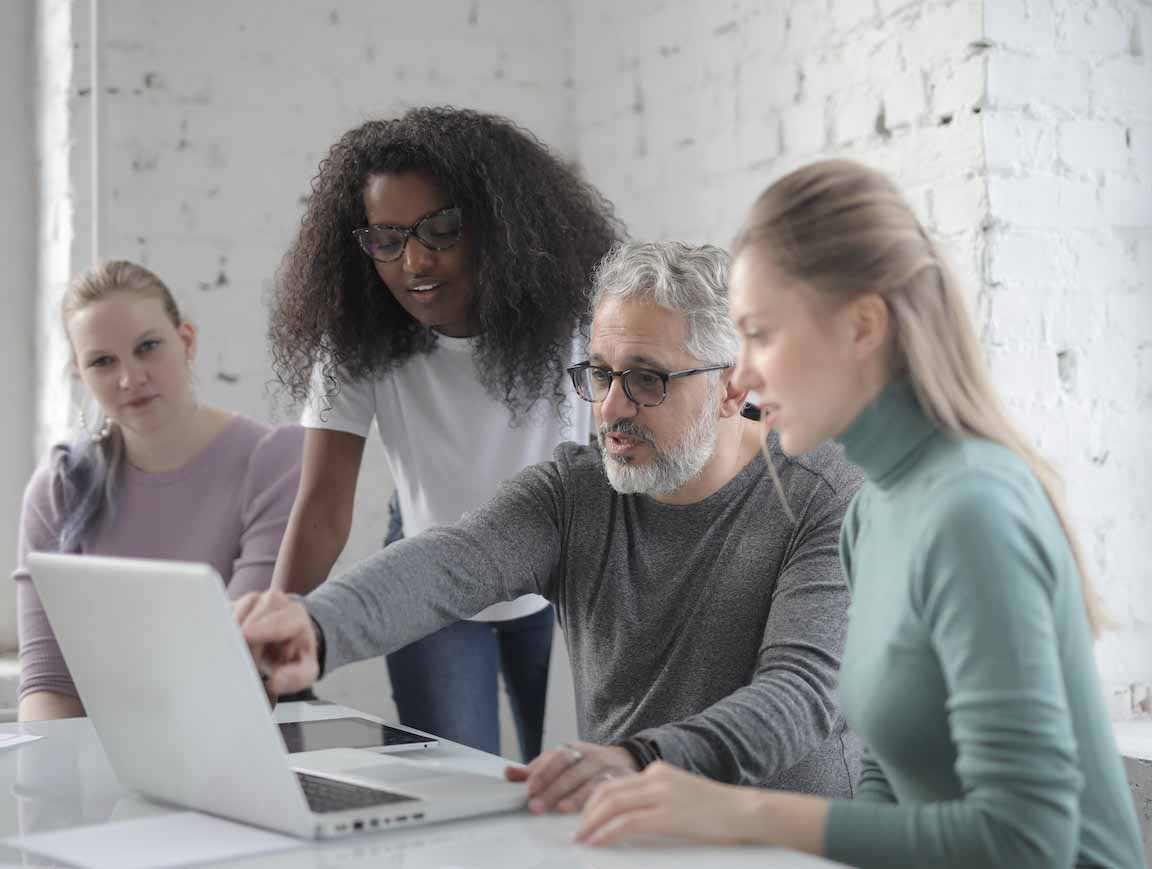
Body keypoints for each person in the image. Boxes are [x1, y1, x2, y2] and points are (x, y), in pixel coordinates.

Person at [573, 161, 1147, 868]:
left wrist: (741, 811)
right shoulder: (871, 509)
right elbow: (887, 773)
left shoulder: (973, 511)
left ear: (862, 326)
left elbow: (1026, 842)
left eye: (761, 333)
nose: (743, 376)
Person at [239, 241, 863, 814]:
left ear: (732, 387)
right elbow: (450, 561)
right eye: (600, 374)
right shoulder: (576, 493)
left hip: (786, 839)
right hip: (633, 830)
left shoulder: (823, 496)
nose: (610, 410)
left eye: (647, 379)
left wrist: (639, 761)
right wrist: (315, 625)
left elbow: (801, 694)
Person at [267, 107, 621, 761]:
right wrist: (271, 631)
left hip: (567, 584)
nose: (416, 260)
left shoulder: (576, 315)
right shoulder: (355, 342)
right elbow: (320, 509)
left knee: (580, 784)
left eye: (442, 230)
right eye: (388, 238)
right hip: (432, 588)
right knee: (460, 786)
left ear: (498, 227)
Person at [14, 260, 302, 722]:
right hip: (99, 752)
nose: (130, 378)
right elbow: (49, 680)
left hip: (236, 740)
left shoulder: (272, 461)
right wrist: (58, 783)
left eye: (147, 347)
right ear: (79, 374)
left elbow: (240, 661)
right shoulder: (60, 484)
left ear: (186, 341)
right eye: (102, 362)